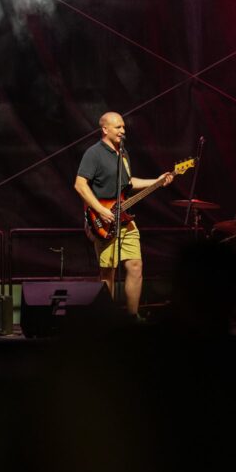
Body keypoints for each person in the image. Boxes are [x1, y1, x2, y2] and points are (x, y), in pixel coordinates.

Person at [74, 112, 173, 318]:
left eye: (123, 127)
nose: (123, 130)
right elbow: (80, 185)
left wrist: (157, 181)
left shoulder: (123, 153)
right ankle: (107, 319)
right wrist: (101, 210)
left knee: (136, 266)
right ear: (105, 129)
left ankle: (132, 317)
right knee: (108, 272)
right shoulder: (94, 153)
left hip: (125, 219)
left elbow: (128, 183)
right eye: (118, 127)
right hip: (102, 221)